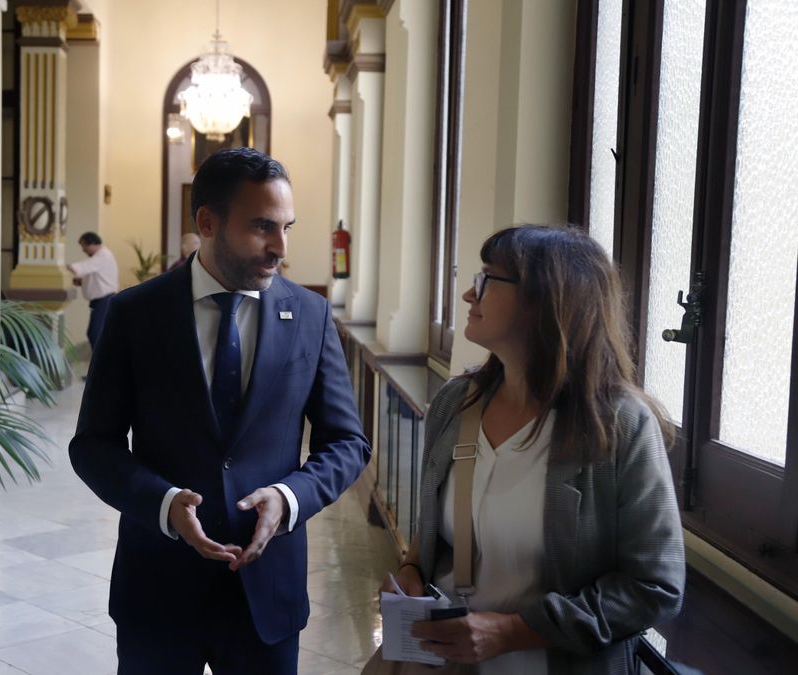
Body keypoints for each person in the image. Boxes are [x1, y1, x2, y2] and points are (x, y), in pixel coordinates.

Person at [70, 147, 371, 674]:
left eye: (286, 227)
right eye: (262, 227)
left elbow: (347, 442)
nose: (280, 247)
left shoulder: (310, 314)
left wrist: (287, 497)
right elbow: (93, 446)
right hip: (158, 589)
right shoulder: (135, 313)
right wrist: (163, 504)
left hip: (266, 592)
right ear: (208, 222)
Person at [374, 225, 684, 674]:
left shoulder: (618, 426)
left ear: (546, 301)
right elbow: (434, 531)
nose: (467, 294)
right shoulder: (456, 403)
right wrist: (412, 572)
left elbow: (655, 586)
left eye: (485, 280)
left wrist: (510, 632)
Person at [67, 231, 119, 351]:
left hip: (105, 300)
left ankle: (100, 363)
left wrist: (65, 268)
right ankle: (101, 362)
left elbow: (85, 267)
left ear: (91, 244)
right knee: (96, 333)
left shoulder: (103, 255)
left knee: (95, 333)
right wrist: (81, 282)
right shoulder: (100, 257)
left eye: (83, 246)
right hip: (101, 301)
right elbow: (95, 277)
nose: (83, 250)